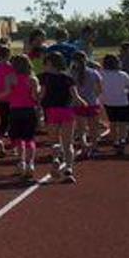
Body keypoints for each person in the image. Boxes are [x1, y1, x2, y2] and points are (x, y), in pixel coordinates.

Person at [39, 51, 88, 183]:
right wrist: (83, 103)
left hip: (51, 111)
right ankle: (69, 169)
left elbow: (42, 95)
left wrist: (36, 104)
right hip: (66, 111)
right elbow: (76, 97)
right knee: (68, 143)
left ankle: (55, 159)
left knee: (54, 141)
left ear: (50, 64)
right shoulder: (68, 78)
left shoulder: (44, 78)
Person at [2, 54, 41, 181]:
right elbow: (35, 97)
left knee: (18, 138)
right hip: (29, 110)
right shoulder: (33, 79)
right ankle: (31, 164)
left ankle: (21, 162)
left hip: (15, 110)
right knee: (29, 138)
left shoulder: (10, 77)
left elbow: (7, 93)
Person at [100, 54, 129, 155]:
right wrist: (125, 92)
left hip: (108, 102)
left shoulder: (101, 74)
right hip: (122, 101)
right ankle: (122, 140)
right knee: (123, 123)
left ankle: (115, 141)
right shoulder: (122, 74)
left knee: (113, 122)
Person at [72, 51, 103, 157]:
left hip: (78, 103)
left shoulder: (71, 74)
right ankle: (94, 147)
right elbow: (100, 89)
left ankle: (84, 146)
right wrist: (95, 96)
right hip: (92, 102)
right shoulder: (94, 72)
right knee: (93, 128)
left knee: (81, 128)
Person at [0, 45, 15, 155]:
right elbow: (12, 85)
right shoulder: (11, 68)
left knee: (4, 121)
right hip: (12, 98)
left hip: (0, 97)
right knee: (13, 122)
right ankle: (14, 146)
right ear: (8, 55)